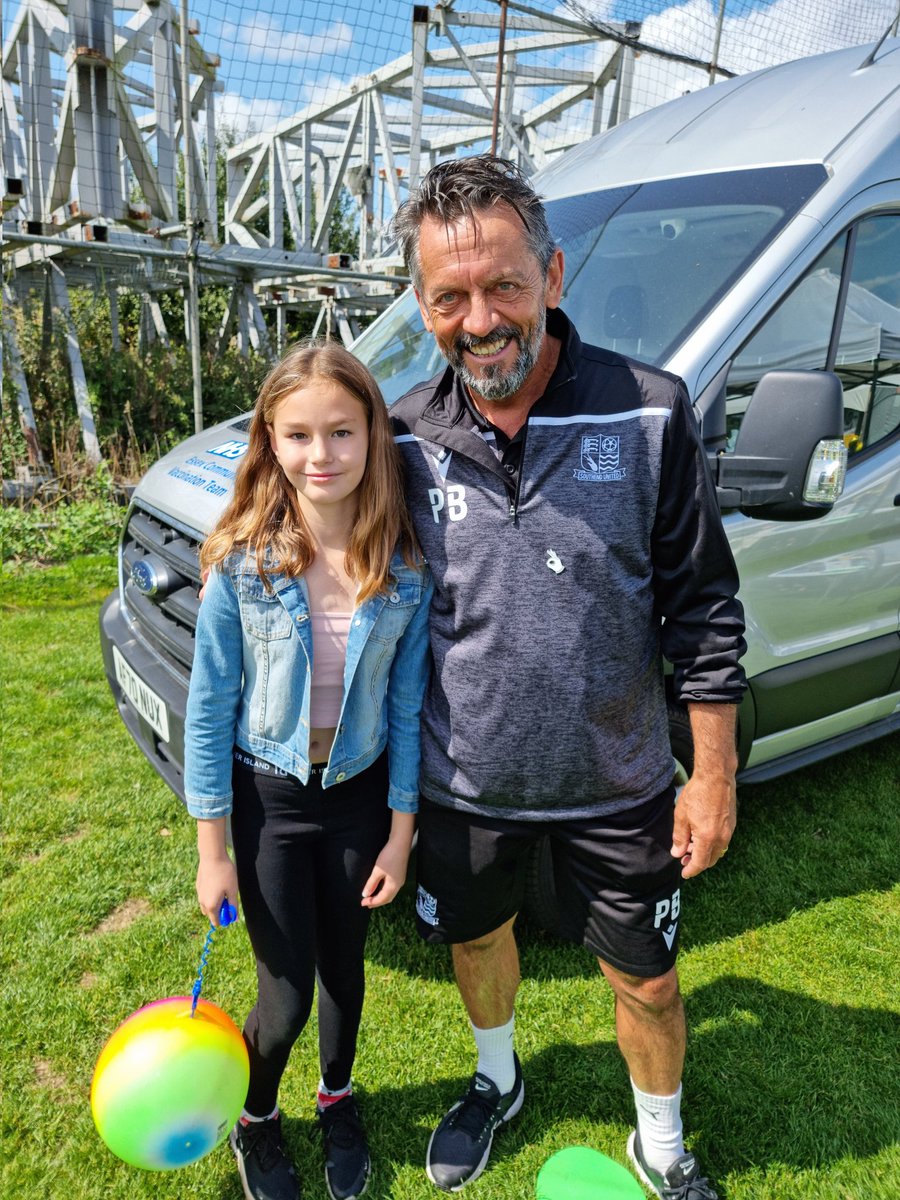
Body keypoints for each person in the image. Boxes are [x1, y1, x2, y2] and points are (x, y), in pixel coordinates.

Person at [389, 155, 747, 1199]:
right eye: (449, 298)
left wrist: (712, 775)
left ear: (551, 276)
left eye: (504, 286)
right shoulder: (401, 433)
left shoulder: (650, 411)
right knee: (476, 941)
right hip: (464, 783)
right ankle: (496, 1081)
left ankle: (661, 1148)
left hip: (620, 782)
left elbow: (704, 609)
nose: (480, 321)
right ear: (422, 305)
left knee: (650, 980)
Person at [183, 340, 433, 1200]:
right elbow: (209, 710)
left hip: (358, 800)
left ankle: (336, 1098)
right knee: (285, 995)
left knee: (345, 975)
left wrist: (400, 835)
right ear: (270, 440)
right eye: (297, 435)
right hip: (270, 801)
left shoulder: (403, 570)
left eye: (341, 432)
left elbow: (406, 708)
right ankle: (256, 1118)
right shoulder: (242, 565)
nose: (320, 455)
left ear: (373, 437)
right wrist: (213, 850)